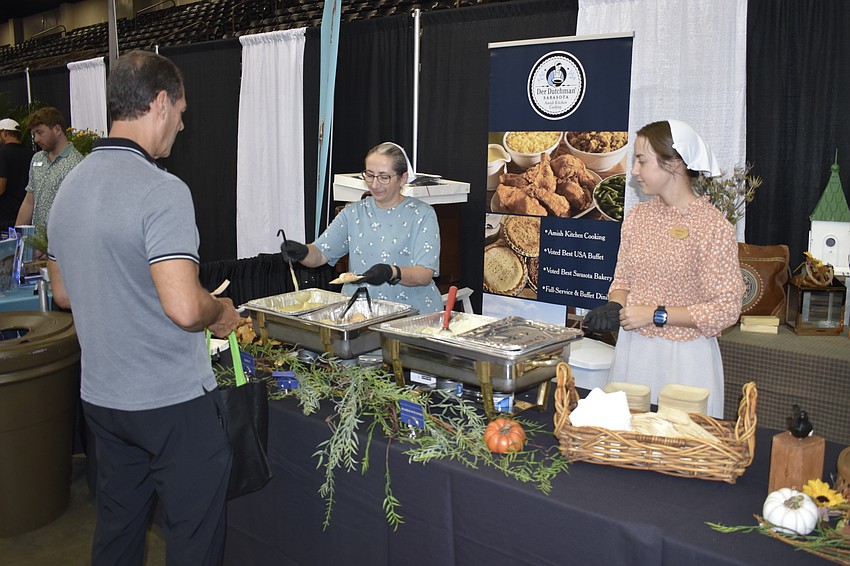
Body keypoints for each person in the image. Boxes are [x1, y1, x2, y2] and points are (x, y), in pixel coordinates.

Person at [46, 50, 240, 565]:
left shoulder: (70, 185)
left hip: (103, 401)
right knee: (194, 536)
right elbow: (181, 306)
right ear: (159, 103)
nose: (181, 124)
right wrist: (221, 311)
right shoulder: (162, 190)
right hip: (169, 401)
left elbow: (62, 293)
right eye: (180, 111)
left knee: (118, 528)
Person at [583, 120, 744, 418]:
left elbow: (726, 309)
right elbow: (623, 278)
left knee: (678, 449)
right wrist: (615, 306)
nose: (633, 171)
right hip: (634, 353)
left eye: (642, 161)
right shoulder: (637, 217)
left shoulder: (712, 227)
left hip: (685, 362)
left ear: (674, 164)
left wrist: (656, 314)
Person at [282, 142, 443, 313]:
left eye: (384, 177)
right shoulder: (353, 213)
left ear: (402, 178)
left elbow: (424, 274)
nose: (374, 184)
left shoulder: (422, 214)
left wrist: (392, 272)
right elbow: (320, 255)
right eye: (370, 175)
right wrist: (303, 252)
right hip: (362, 312)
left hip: (411, 313)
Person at [15, 107, 83, 233]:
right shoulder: (37, 158)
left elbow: (78, 211)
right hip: (36, 244)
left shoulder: (77, 164)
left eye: (40, 133)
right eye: (34, 134)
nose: (36, 139)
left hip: (60, 245)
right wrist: (16, 236)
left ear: (57, 130)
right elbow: (29, 201)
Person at [0, 118, 34, 231]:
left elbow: (1, 187)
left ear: (4, 133)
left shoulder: (2, 154)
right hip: (28, 216)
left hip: (5, 218)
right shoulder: (33, 154)